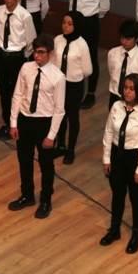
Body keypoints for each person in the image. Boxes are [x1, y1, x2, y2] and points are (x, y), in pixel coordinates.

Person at [8, 36, 66, 219]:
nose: (37, 56)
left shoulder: (58, 77)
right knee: (24, 160)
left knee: (46, 164)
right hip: (25, 120)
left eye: (41, 52)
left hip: (44, 123)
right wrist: (13, 123)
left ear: (50, 53)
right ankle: (27, 195)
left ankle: (46, 201)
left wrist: (51, 135)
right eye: (35, 52)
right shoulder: (26, 68)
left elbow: (59, 110)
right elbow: (17, 95)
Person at [101, 73, 138, 254]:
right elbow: (109, 132)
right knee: (117, 195)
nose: (127, 92)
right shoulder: (116, 107)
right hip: (117, 156)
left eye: (132, 89)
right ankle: (114, 230)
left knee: (136, 199)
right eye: (125, 88)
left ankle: (135, 235)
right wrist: (106, 158)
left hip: (135, 158)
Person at [66, 0, 109, 108]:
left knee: (90, 57)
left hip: (90, 21)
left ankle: (90, 93)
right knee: (71, 54)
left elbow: (104, 5)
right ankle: (71, 88)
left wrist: (92, 17)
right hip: (73, 20)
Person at [0, 0, 37, 139]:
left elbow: (31, 40)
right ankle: (7, 123)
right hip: (1, 53)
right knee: (3, 90)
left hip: (16, 56)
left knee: (16, 92)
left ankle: (16, 122)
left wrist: (22, 56)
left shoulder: (25, 16)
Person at [53, 11, 92, 165]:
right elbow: (53, 60)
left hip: (74, 85)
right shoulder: (58, 40)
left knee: (72, 117)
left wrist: (73, 75)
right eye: (64, 22)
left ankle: (70, 150)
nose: (65, 26)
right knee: (59, 115)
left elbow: (88, 70)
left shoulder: (82, 44)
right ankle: (60, 145)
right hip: (58, 84)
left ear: (77, 26)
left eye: (70, 24)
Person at [106, 20, 138, 109]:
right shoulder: (112, 53)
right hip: (114, 96)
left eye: (128, 39)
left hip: (133, 100)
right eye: (122, 38)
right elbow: (111, 72)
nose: (124, 42)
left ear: (137, 39)